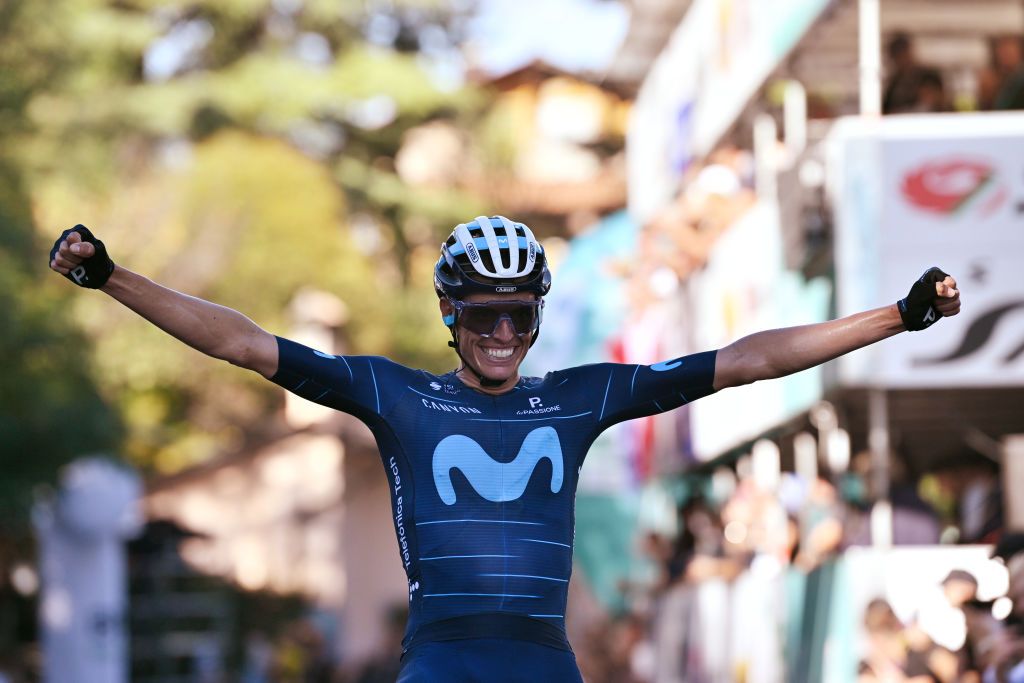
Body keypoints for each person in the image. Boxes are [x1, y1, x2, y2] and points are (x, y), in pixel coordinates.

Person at [49, 217, 961, 681]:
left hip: (544, 662)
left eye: (518, 314)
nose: (500, 331)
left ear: (536, 318)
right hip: (440, 661)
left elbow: (749, 361)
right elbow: (243, 343)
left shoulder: (580, 397)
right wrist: (109, 275)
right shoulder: (394, 393)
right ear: (449, 314)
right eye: (481, 313)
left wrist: (899, 316)